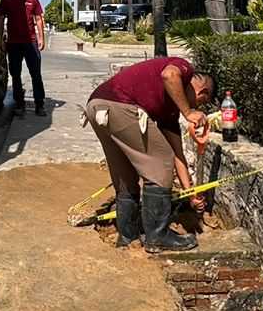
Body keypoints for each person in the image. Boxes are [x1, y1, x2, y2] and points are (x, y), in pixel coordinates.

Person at [86, 56, 216, 253]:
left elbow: (177, 154)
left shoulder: (168, 112)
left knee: (125, 172)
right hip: (120, 103)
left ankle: (128, 236)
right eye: (200, 103)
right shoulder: (184, 69)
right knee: (160, 163)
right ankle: (158, 236)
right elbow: (168, 74)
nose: (197, 109)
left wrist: (190, 193)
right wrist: (189, 112)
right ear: (202, 91)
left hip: (97, 106)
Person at [0, 0, 47, 115]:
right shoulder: (6, 0)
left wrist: (41, 38)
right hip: (14, 44)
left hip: (31, 43)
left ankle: (39, 104)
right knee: (15, 75)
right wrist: (0, 40)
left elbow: (38, 19)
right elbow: (0, 20)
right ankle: (19, 104)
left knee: (36, 74)